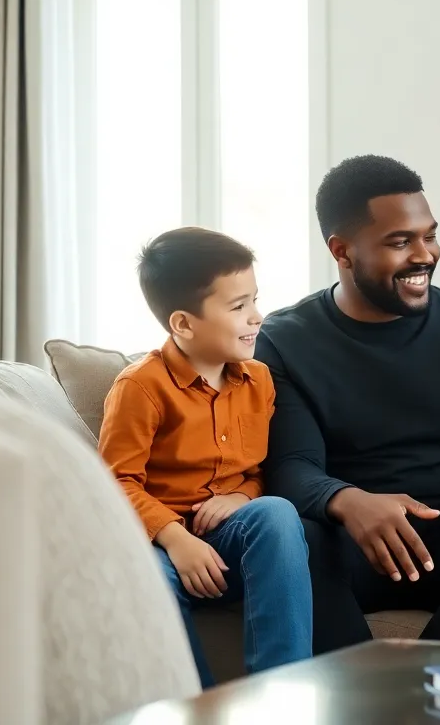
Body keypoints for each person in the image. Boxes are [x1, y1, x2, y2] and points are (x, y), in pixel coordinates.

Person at [255, 154, 440, 654]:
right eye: (399, 242)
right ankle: (357, 688)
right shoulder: (286, 339)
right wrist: (348, 501)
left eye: (429, 236)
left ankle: (415, 691)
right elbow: (291, 465)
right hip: (349, 539)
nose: (424, 255)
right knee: (295, 541)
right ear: (342, 251)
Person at [98, 227, 312, 688]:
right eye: (238, 307)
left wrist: (241, 497)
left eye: (255, 300)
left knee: (276, 513)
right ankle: (198, 705)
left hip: (230, 540)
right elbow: (115, 484)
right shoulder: (139, 387)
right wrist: (177, 539)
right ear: (183, 323)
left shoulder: (259, 380)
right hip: (163, 547)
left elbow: (259, 472)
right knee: (148, 575)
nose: (256, 317)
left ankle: (282, 697)